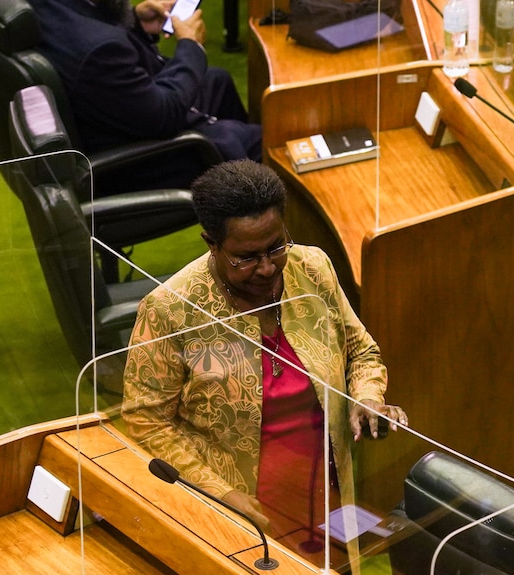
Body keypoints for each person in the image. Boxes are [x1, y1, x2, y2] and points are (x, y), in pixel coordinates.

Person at [121, 159, 408, 564]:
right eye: (247, 257)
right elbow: (144, 419)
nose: (268, 267)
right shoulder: (171, 309)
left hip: (324, 490)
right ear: (212, 244)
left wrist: (368, 398)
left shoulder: (312, 269)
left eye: (276, 247)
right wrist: (219, 493)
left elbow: (360, 351)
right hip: (237, 506)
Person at [28, 0, 262, 190]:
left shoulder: (47, 9)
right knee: (259, 141)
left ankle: (240, 198)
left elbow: (92, 30)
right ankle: (252, 211)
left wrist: (135, 22)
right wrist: (191, 46)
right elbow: (164, 115)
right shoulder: (98, 49)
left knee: (217, 82)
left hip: (104, 114)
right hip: (128, 164)